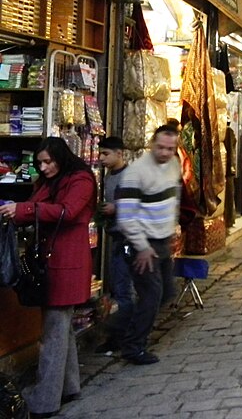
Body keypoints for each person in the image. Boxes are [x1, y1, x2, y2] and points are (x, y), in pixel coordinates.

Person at [0, 137, 97, 418]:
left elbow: (68, 211)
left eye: (48, 161)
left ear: (60, 157)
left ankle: (45, 401)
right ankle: (69, 386)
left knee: (54, 332)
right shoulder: (48, 182)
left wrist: (24, 210)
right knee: (61, 328)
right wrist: (18, 212)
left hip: (66, 262)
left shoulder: (80, 180)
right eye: (40, 162)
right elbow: (38, 206)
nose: (44, 167)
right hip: (51, 260)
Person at [116, 125, 182, 365]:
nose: (165, 153)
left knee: (166, 292)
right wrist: (141, 247)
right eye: (161, 147)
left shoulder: (174, 164)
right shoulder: (136, 172)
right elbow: (126, 215)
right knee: (151, 295)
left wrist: (172, 230)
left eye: (170, 148)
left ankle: (123, 329)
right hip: (143, 245)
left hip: (162, 241)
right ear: (152, 144)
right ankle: (133, 346)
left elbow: (172, 197)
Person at [94, 136, 132, 355]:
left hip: (128, 241)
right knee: (118, 288)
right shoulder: (109, 177)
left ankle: (123, 338)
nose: (101, 159)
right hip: (116, 238)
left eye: (106, 154)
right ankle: (118, 336)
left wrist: (116, 209)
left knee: (123, 290)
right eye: (100, 154)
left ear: (120, 153)